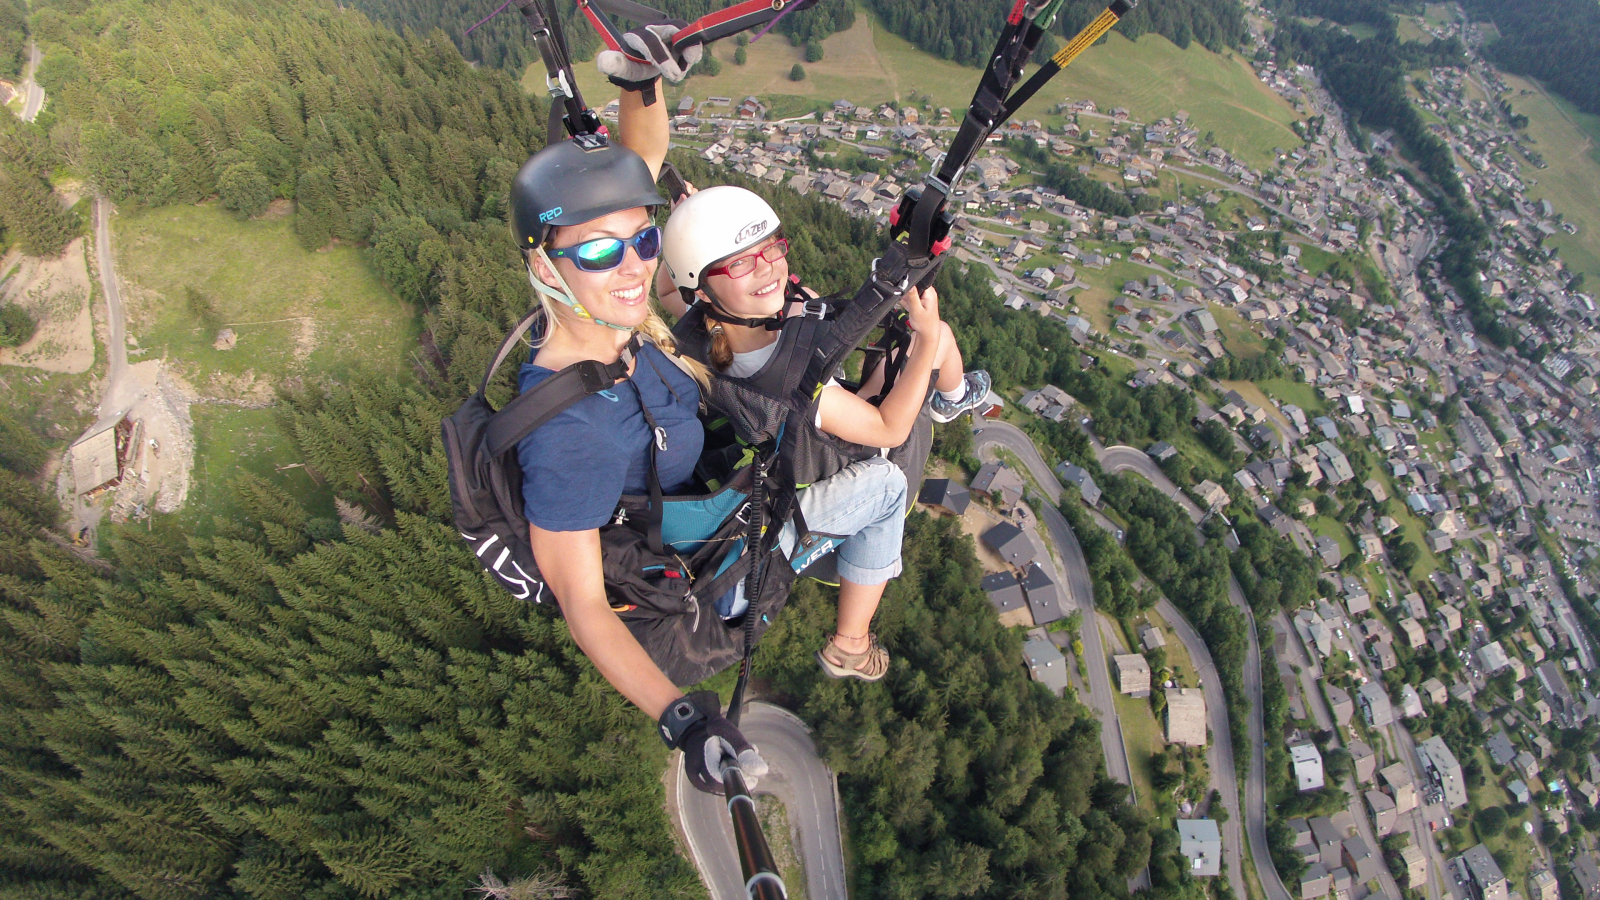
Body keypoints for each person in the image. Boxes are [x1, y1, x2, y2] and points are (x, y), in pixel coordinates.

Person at [506, 127, 771, 797]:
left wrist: (642, 75)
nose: (633, 267)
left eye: (644, 241)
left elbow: (641, 148)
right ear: (544, 267)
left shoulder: (613, 322)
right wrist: (683, 722)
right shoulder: (572, 431)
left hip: (686, 476)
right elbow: (584, 604)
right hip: (671, 540)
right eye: (599, 250)